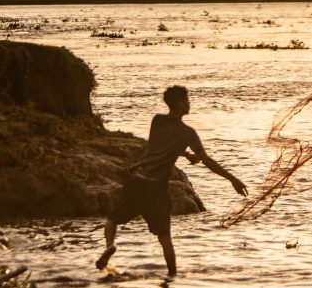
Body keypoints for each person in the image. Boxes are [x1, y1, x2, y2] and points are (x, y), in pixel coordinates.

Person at [96, 85, 248, 275]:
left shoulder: (157, 121)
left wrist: (184, 154)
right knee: (165, 238)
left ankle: (110, 245)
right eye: (186, 100)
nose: (189, 103)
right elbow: (206, 160)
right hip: (156, 187)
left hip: (137, 179)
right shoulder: (187, 133)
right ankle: (171, 279)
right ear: (178, 103)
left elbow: (160, 144)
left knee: (112, 219)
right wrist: (232, 179)